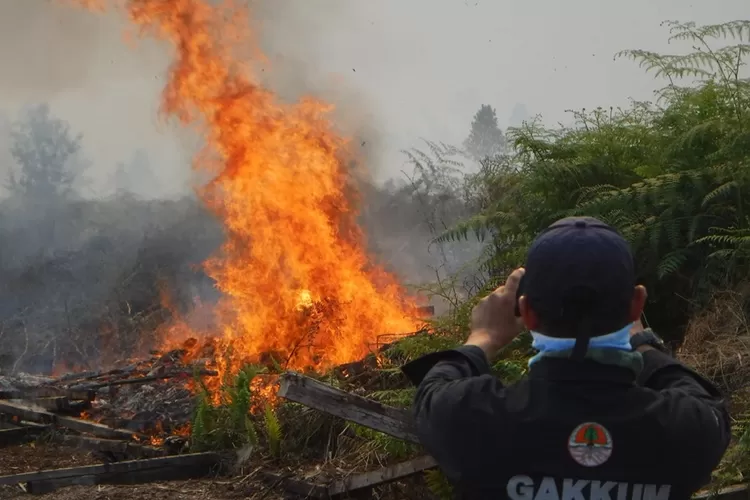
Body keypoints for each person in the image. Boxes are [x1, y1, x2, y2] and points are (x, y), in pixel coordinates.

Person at [401, 216, 731, 500]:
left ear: (527, 313)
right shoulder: (689, 429)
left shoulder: (473, 419)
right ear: (637, 305)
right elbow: (695, 394)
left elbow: (433, 391)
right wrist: (642, 341)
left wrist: (483, 338)